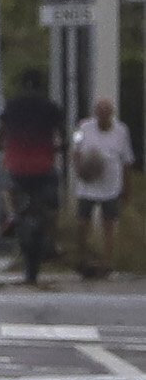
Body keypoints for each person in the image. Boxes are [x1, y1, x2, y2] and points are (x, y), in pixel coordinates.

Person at [0, 69, 67, 282]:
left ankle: (11, 215)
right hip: (43, 165)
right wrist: (62, 145)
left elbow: (1, 130)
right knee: (53, 205)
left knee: (5, 185)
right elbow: (61, 132)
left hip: (17, 165)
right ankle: (53, 241)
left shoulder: (12, 105)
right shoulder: (50, 107)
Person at [67, 96, 130, 281]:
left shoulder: (121, 130)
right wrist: (79, 169)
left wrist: (127, 188)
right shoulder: (84, 127)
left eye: (106, 111)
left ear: (111, 114)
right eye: (99, 111)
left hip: (111, 185)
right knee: (82, 223)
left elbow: (126, 160)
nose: (102, 115)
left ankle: (106, 262)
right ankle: (82, 258)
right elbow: (76, 150)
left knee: (109, 224)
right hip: (88, 186)